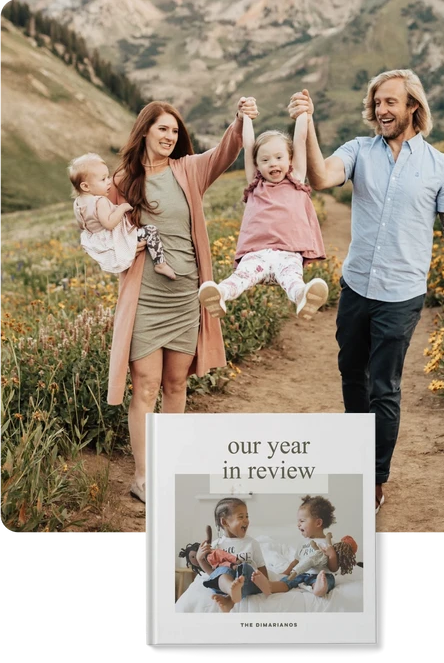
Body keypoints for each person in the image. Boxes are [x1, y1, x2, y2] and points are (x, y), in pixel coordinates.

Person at [288, 70, 444, 514]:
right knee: (352, 376)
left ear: (413, 108)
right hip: (356, 287)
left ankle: (375, 478)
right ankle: (355, 463)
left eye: (392, 102)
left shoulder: (441, 167)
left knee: (384, 388)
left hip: (401, 294)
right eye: (377, 102)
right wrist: (306, 123)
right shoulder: (358, 151)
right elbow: (320, 176)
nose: (382, 109)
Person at [106, 97, 259, 503]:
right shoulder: (123, 180)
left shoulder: (188, 170)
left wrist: (240, 120)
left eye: (175, 131)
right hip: (145, 297)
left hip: (185, 294)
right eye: (162, 129)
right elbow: (99, 223)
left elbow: (227, 151)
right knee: (145, 386)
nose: (170, 137)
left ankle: (168, 468)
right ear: (145, 132)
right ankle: (143, 477)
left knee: (175, 383)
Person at [198, 110, 329, 321]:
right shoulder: (255, 184)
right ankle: (220, 294)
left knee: (292, 279)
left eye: (279, 157)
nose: (273, 164)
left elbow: (300, 139)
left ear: (290, 160)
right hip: (256, 253)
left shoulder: (296, 179)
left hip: (288, 252)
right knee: (240, 277)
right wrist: (247, 116)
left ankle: (303, 297)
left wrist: (303, 113)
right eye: (265, 160)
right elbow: (249, 145)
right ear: (257, 164)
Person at [69, 153, 176, 279]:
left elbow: (83, 225)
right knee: (150, 231)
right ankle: (160, 263)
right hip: (114, 239)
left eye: (108, 177)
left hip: (98, 243)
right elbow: (109, 224)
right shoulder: (100, 201)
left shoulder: (77, 203)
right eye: (103, 179)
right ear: (85, 186)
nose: (109, 182)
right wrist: (122, 208)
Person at [196, 497, 272, 612]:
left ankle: (232, 595)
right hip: (225, 585)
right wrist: (200, 559)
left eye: (247, 516)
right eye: (241, 517)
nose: (246, 520)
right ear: (225, 522)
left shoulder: (252, 543)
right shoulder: (216, 546)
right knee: (222, 572)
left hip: (248, 582)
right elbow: (214, 574)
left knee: (245, 567)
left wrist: (261, 581)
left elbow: (263, 575)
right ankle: (231, 591)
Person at [268, 494, 338, 597]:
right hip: (302, 573)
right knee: (288, 581)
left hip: (321, 574)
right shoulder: (303, 543)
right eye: (298, 521)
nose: (298, 524)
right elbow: (295, 562)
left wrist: (332, 555)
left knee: (328, 580)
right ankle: (271, 586)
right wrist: (285, 573)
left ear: (318, 523)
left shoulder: (327, 543)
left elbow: (333, 568)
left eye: (302, 521)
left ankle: (319, 588)